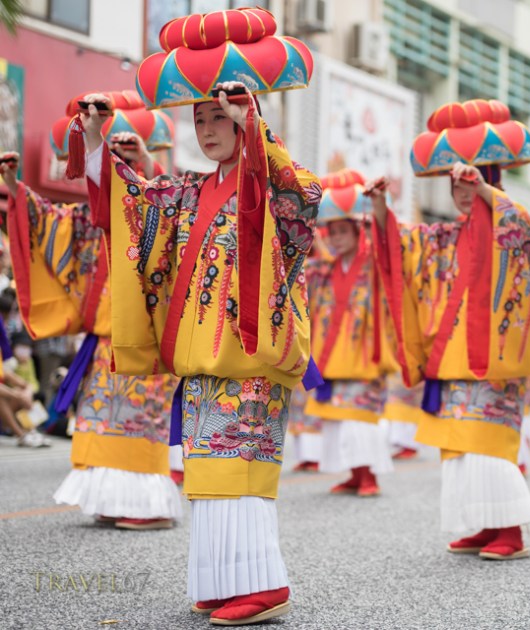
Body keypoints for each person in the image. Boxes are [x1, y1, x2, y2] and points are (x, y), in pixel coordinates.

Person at [84, 12, 319, 615]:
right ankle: (225, 582)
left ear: (248, 117)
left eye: (222, 116)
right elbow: (132, 205)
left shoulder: (273, 181)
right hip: (205, 354)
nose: (210, 128)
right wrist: (100, 147)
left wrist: (258, 131)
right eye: (202, 118)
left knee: (239, 467)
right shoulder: (190, 189)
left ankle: (264, 584)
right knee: (211, 471)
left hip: (253, 353)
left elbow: (301, 202)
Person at [370, 98, 530, 560]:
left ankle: (511, 530)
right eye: (456, 181)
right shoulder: (446, 235)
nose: (463, 189)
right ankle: (482, 525)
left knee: (487, 442)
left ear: (492, 178)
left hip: (494, 359)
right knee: (460, 448)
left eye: (472, 179)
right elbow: (403, 248)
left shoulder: (512, 222)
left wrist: (487, 192)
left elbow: (520, 227)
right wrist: (380, 211)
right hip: (454, 358)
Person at [3, 104, 181, 528]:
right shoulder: (90, 219)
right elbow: (48, 219)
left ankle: (147, 506)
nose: (121, 169)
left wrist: (143, 162)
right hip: (105, 341)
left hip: (148, 338)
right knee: (103, 418)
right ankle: (114, 499)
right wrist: (14, 189)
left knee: (138, 419)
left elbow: (161, 199)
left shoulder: (164, 203)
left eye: (131, 159)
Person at [304, 169, 393, 496]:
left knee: (359, 418)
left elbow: (389, 246)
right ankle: (355, 474)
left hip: (362, 350)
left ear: (358, 232)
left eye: (343, 231)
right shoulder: (323, 267)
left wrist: (378, 208)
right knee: (338, 419)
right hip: (331, 350)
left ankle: (368, 476)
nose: (336, 237)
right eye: (332, 232)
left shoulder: (372, 261)